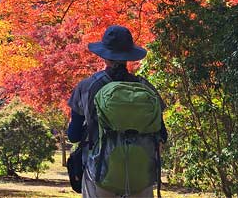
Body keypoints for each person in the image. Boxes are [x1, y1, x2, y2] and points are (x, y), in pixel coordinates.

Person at [67, 25, 167, 198]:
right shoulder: (146, 88)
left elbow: (73, 135)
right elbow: (162, 135)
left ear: (104, 56)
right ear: (129, 56)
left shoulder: (88, 86)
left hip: (100, 174)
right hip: (141, 177)